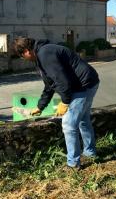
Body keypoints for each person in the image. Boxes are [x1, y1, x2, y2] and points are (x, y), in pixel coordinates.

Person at [12, 37, 100, 169]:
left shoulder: (45, 53)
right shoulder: (41, 55)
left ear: (26, 51)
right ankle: (90, 152)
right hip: (85, 83)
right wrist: (40, 106)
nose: (24, 59)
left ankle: (73, 163)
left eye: (22, 56)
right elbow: (50, 85)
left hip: (84, 85)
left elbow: (62, 81)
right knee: (82, 120)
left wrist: (65, 102)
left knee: (69, 123)